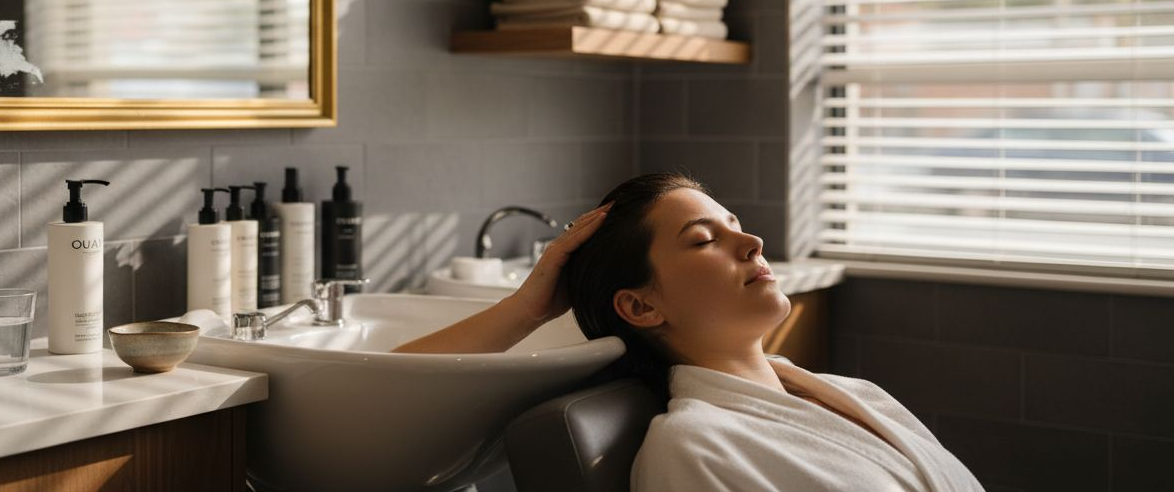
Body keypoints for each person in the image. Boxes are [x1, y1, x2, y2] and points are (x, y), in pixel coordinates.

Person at [395, 172, 984, 492]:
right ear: (642, 307)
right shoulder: (695, 449)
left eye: (736, 226)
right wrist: (528, 307)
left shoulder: (854, 394)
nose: (751, 243)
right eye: (704, 241)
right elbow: (394, 392)